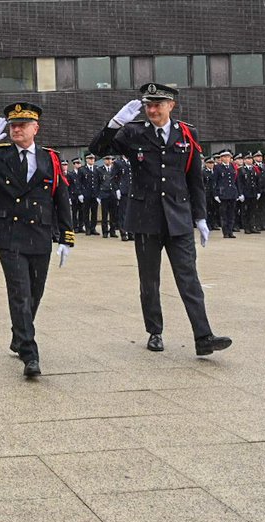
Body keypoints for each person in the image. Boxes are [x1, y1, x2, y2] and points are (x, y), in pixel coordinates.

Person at [89, 83, 232, 357]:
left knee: (189, 279)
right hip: (145, 218)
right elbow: (97, 149)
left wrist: (201, 216)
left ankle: (204, 336)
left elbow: (194, 178)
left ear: (171, 106)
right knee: (149, 280)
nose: (152, 110)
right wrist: (115, 124)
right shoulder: (133, 132)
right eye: (148, 105)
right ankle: (155, 331)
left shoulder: (187, 133)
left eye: (158, 105)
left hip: (178, 217)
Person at [0, 103, 74, 377]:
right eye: (13, 125)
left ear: (36, 128)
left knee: (35, 292)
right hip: (8, 234)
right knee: (20, 293)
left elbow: (60, 197)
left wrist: (66, 236)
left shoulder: (50, 158)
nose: (16, 129)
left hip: (40, 232)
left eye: (22, 125)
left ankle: (19, 335)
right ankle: (30, 354)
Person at [212, 151, 240, 238]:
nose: (227, 158)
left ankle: (230, 231)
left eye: (228, 157)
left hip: (232, 193)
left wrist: (238, 193)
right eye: (225, 157)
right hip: (223, 193)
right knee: (224, 214)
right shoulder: (218, 167)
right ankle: (225, 232)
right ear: (221, 158)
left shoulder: (232, 166)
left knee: (231, 213)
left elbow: (236, 181)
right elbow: (214, 181)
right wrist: (215, 194)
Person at [97, 155, 119, 238]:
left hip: (113, 194)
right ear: (104, 160)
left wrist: (117, 190)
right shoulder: (99, 170)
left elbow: (117, 180)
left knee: (113, 214)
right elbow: (97, 183)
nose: (109, 161)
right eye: (107, 159)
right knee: (105, 214)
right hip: (104, 194)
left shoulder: (114, 169)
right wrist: (98, 195)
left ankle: (112, 231)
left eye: (110, 159)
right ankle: (105, 231)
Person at [78, 154, 100, 235]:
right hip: (86, 194)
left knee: (94, 212)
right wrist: (80, 193)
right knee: (86, 212)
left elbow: (99, 182)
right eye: (90, 158)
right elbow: (79, 182)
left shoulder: (97, 169)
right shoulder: (82, 169)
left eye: (93, 158)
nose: (92, 160)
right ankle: (87, 228)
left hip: (95, 194)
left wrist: (99, 194)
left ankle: (93, 228)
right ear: (86, 160)